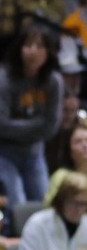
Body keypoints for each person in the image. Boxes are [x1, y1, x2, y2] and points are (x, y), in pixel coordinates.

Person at [0, 23, 64, 207]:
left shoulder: (54, 82)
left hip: (34, 153)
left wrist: (17, 127)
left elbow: (51, 126)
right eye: (28, 45)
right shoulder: (4, 79)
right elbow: (1, 125)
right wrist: (37, 125)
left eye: (40, 46)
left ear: (48, 52)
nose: (33, 51)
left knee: (42, 206)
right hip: (4, 153)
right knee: (16, 205)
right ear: (19, 48)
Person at [14, 169, 87, 250]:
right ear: (61, 200)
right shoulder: (37, 224)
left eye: (83, 204)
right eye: (73, 202)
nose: (78, 209)